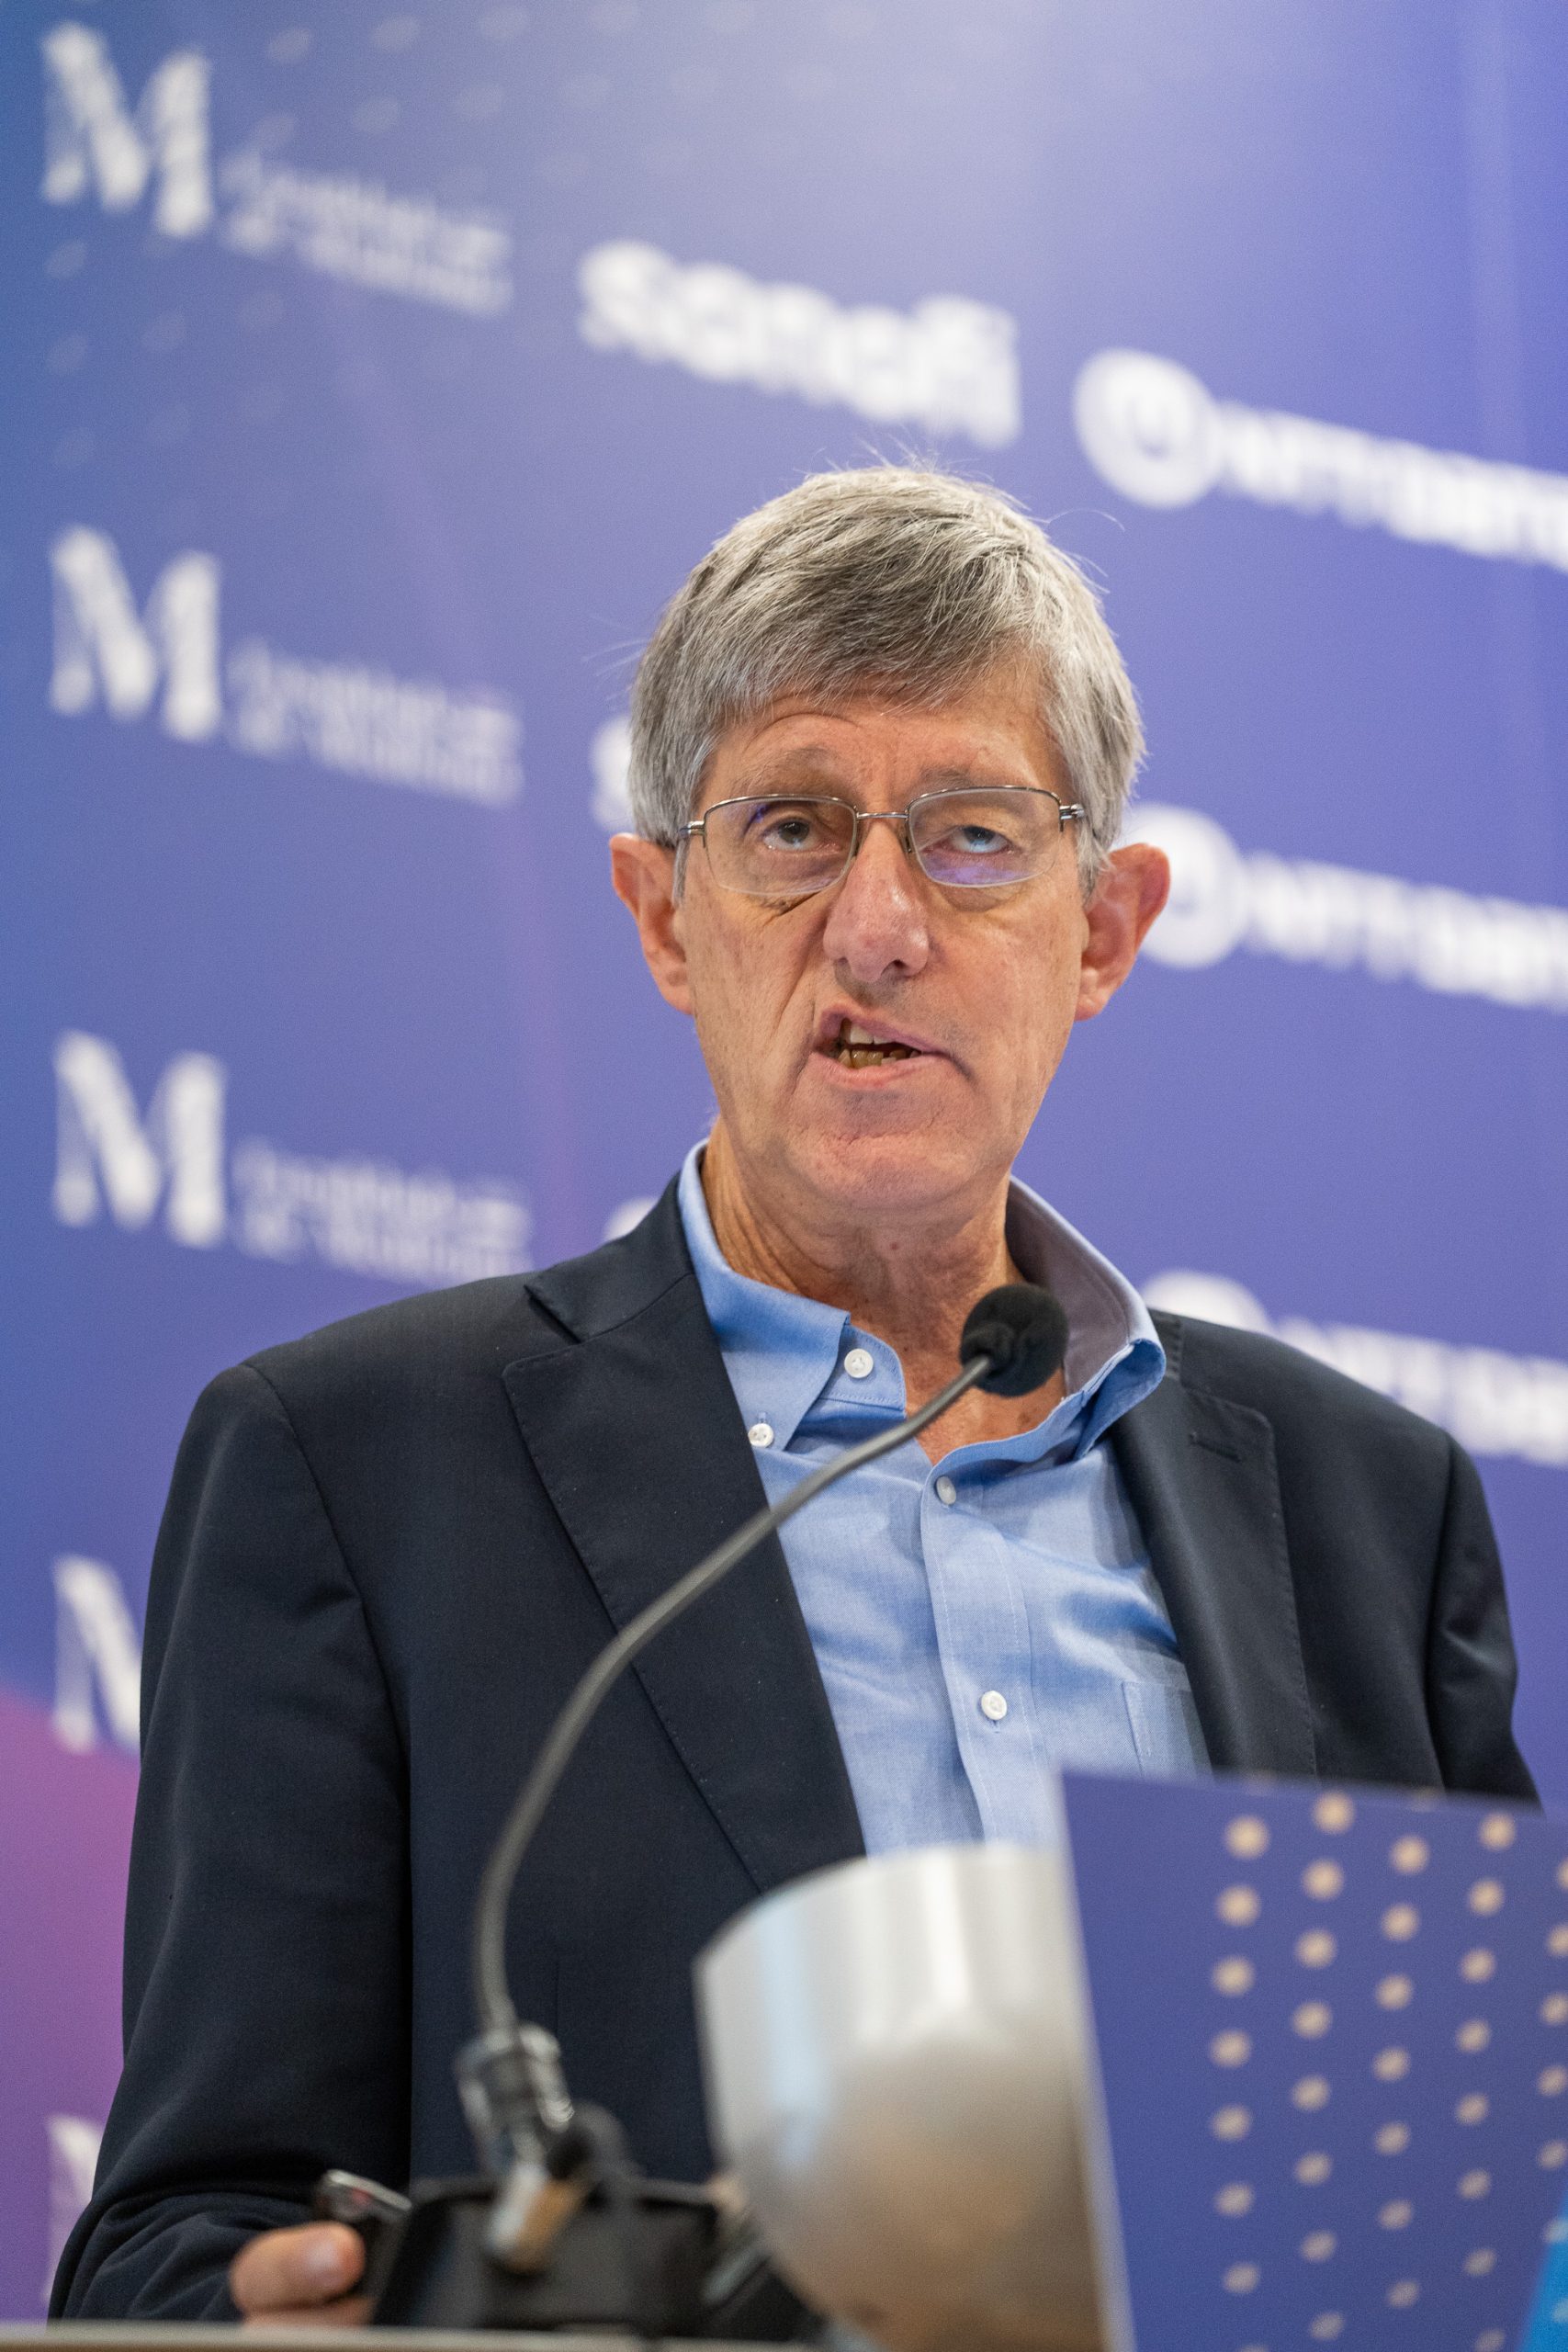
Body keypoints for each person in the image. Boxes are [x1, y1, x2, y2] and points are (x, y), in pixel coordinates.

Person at [54, 468, 1535, 2325]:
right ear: (665, 914)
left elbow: (1496, 2211)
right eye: (792, 828)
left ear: (1103, 928)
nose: (879, 924)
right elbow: (182, 2239)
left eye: (973, 836)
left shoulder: (1366, 1509)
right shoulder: (358, 1470)